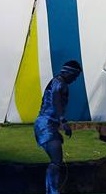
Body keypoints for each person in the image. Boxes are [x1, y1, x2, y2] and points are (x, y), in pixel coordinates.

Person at [34, 60, 82, 194]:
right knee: (56, 161)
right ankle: (53, 191)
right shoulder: (59, 83)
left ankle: (52, 191)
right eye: (75, 76)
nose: (75, 79)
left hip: (46, 125)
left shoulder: (57, 82)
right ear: (68, 73)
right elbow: (56, 101)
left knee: (57, 161)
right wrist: (63, 121)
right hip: (46, 125)